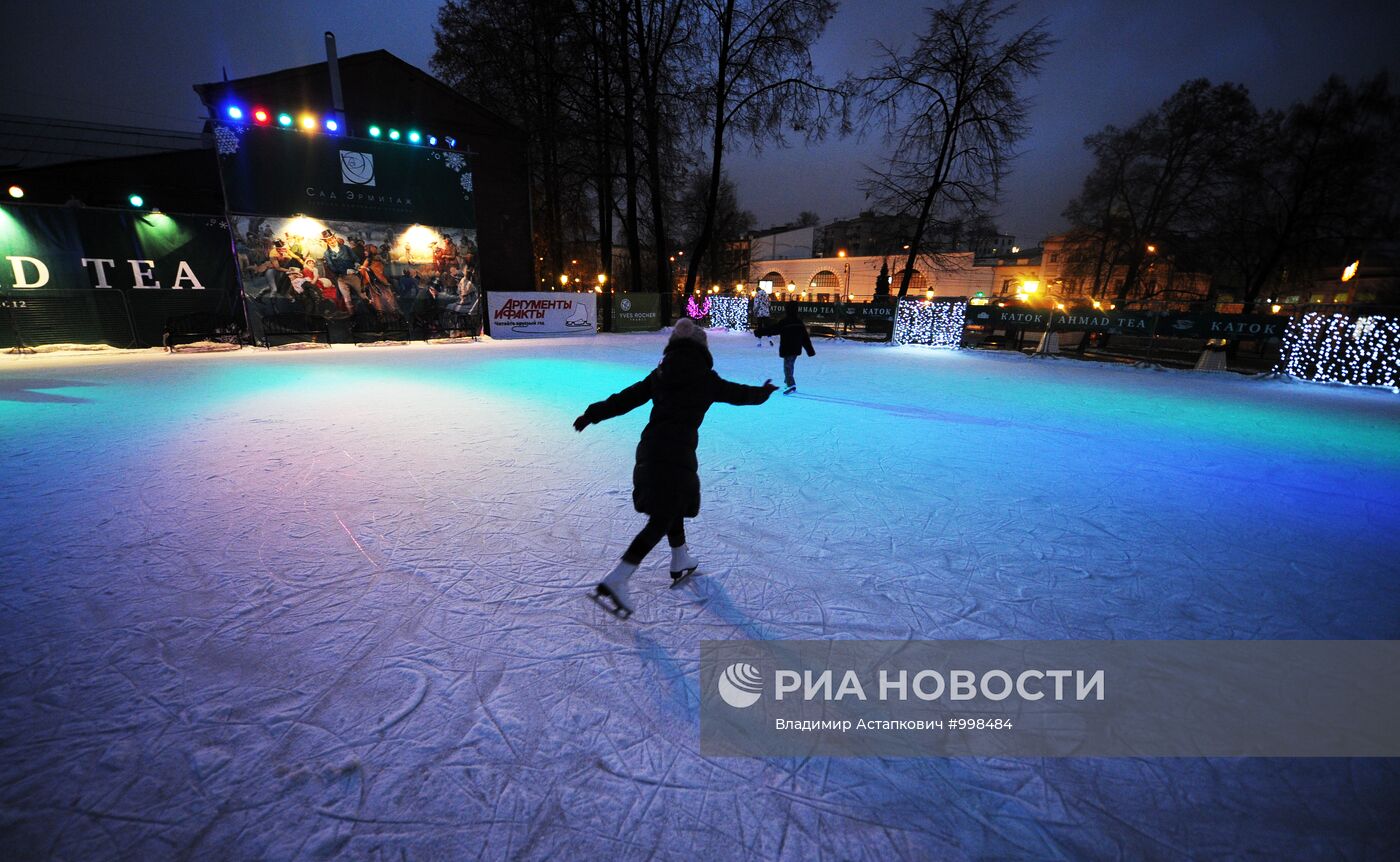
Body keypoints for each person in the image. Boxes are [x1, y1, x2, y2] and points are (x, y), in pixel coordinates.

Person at [574, 318, 778, 618]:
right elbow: (740, 395)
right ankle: (618, 578)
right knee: (663, 515)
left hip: (650, 449)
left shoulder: (660, 374)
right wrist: (764, 392)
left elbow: (626, 399)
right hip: (677, 453)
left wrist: (593, 414)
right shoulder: (707, 380)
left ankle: (680, 559)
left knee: (671, 507)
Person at [755, 302, 816, 394]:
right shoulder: (799, 322)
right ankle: (788, 382)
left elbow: (773, 329)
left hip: (787, 348)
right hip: (795, 348)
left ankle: (791, 384)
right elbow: (805, 338)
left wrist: (759, 332)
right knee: (790, 366)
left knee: (787, 367)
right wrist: (810, 350)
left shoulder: (784, 322)